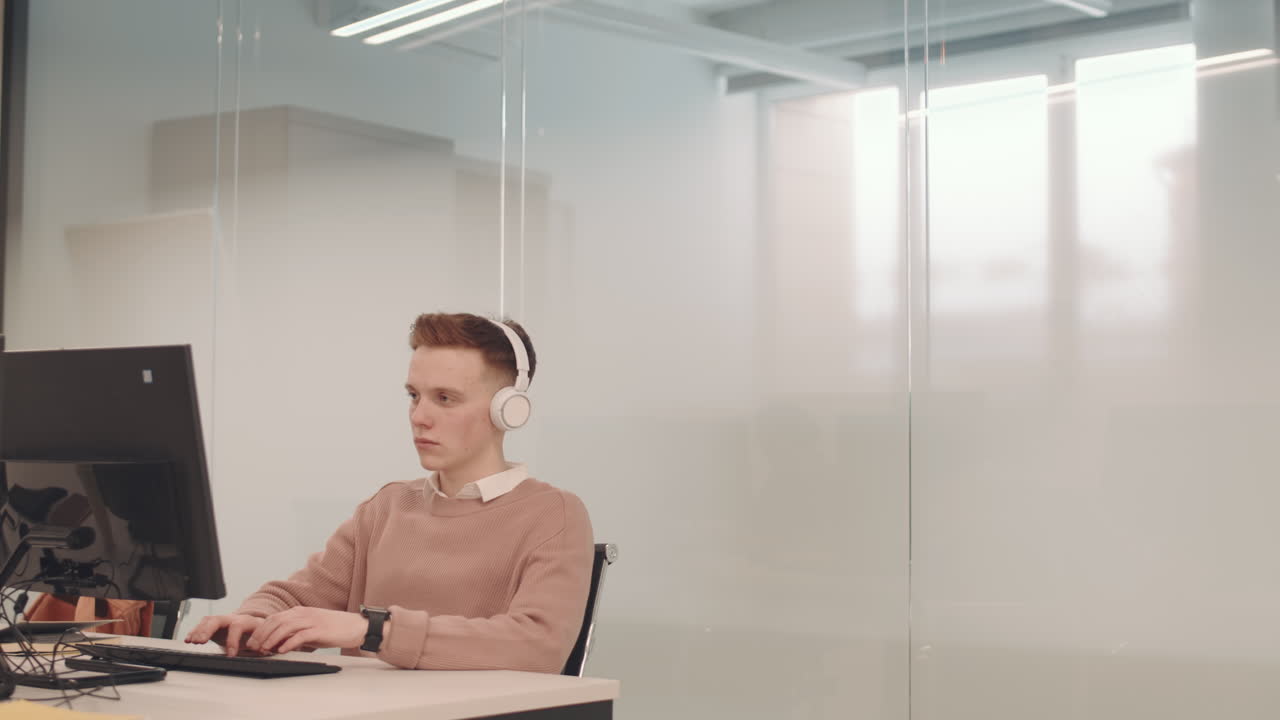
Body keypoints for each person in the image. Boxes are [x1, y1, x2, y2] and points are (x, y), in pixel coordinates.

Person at [184, 313, 594, 673]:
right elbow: (296, 596)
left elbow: (536, 645)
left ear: (508, 409)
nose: (419, 417)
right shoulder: (388, 507)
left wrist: (373, 631)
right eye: (413, 396)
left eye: (445, 399)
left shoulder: (553, 514)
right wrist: (256, 620)